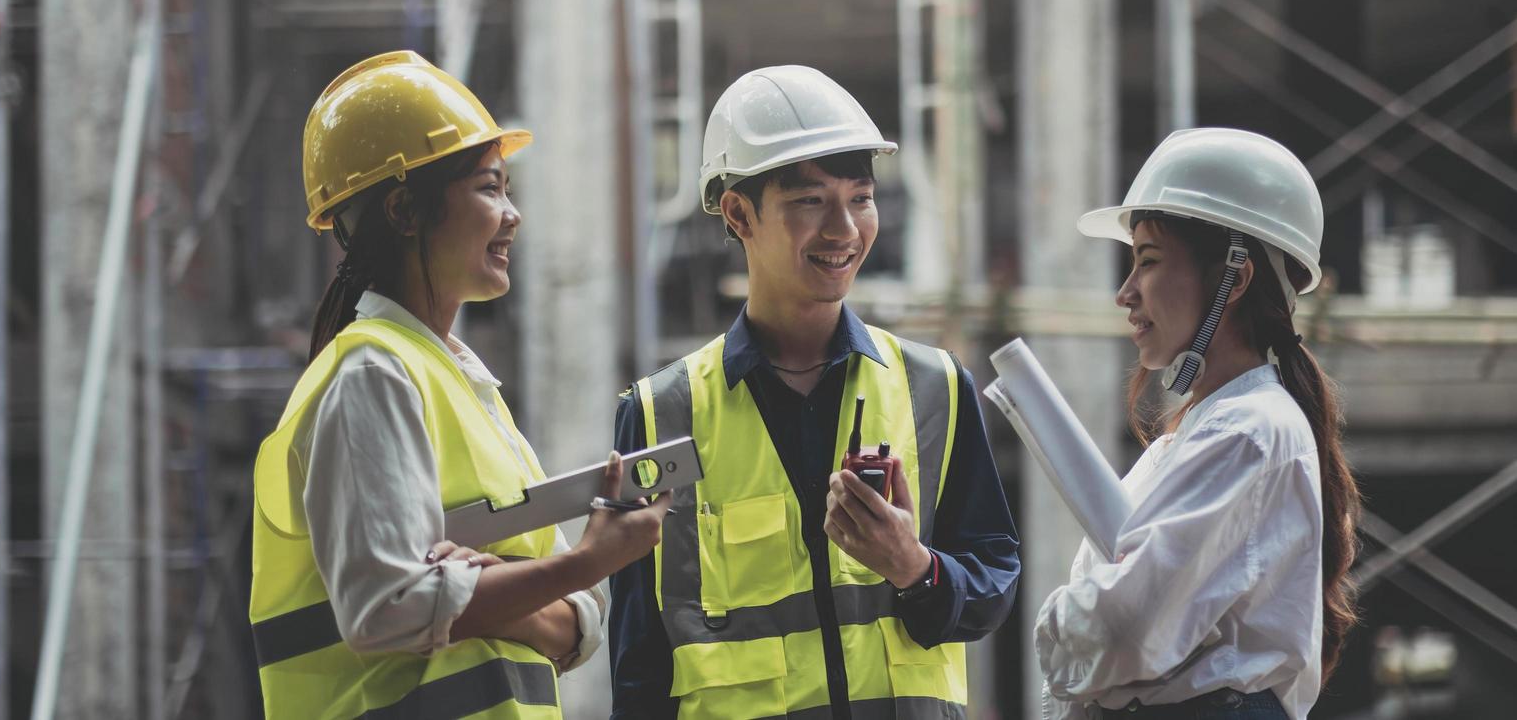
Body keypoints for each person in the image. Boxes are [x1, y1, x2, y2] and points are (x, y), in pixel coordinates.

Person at [249, 50, 669, 720]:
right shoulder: (370, 376)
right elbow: (386, 610)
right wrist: (577, 567)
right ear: (405, 211)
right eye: (489, 187)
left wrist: (487, 587)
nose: (512, 215)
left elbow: (581, 629)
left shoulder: (464, 384)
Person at [609, 64, 1021, 719]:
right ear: (739, 213)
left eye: (860, 197)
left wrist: (913, 566)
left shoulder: (935, 388)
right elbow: (639, 661)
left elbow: (994, 585)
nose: (845, 230)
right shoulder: (661, 415)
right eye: (810, 202)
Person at [1035, 127, 1361, 720]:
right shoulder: (1204, 432)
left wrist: (1057, 618)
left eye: (1148, 262)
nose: (1125, 293)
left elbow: (1125, 626)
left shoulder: (1246, 431)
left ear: (1233, 280)